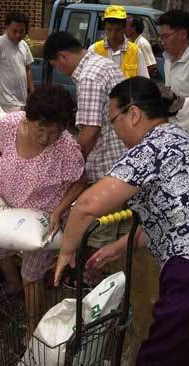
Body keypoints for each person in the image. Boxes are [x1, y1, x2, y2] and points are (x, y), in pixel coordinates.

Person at [54, 76, 189, 365]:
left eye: (112, 120)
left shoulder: (152, 147)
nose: (113, 130)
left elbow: (87, 205)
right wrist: (117, 248)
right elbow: (170, 218)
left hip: (188, 268)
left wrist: (66, 252)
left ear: (133, 114)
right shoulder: (180, 137)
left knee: (161, 355)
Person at [0, 85, 86, 333]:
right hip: (8, 203)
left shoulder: (67, 148)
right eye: (41, 129)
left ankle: (33, 325)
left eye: (55, 132)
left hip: (43, 215)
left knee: (31, 276)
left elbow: (79, 180)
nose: (46, 139)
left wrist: (58, 211)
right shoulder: (10, 124)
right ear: (28, 118)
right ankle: (13, 287)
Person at [43, 31, 130, 270]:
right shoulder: (104, 63)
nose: (60, 71)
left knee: (100, 232)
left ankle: (96, 283)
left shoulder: (89, 77)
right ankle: (121, 280)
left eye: (55, 66)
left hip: (107, 167)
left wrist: (74, 165)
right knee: (123, 229)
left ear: (62, 57)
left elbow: (90, 131)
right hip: (125, 159)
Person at [88, 5, 149, 79]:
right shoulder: (94, 50)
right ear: (104, 27)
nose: (112, 35)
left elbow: (143, 81)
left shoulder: (135, 52)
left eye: (117, 30)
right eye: (109, 29)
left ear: (124, 28)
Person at [158, 9, 189, 97]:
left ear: (183, 34)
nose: (162, 42)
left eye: (166, 36)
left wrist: (177, 102)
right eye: (161, 37)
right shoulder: (168, 59)